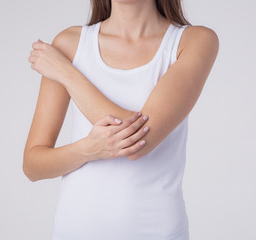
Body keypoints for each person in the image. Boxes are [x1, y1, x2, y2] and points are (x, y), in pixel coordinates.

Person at [24, 0, 219, 239]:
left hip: (157, 231)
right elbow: (32, 165)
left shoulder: (193, 41)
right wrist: (87, 150)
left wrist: (66, 73)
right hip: (75, 230)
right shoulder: (69, 44)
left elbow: (139, 142)